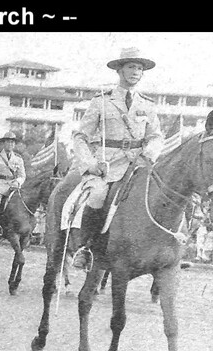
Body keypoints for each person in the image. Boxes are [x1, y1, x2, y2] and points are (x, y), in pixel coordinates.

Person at [66, 48, 165, 270]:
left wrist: (148, 155)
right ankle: (86, 247)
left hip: (138, 165)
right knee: (98, 195)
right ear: (119, 70)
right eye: (131, 67)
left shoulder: (147, 104)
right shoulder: (102, 101)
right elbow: (81, 136)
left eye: (140, 68)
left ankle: (163, 250)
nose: (136, 72)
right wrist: (90, 164)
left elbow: (156, 136)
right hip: (107, 166)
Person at [0, 131, 26, 237]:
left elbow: (22, 175)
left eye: (12, 142)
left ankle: (17, 226)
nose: (10, 144)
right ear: (3, 143)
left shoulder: (18, 159)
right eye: (8, 142)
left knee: (21, 202)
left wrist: (17, 182)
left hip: (12, 186)